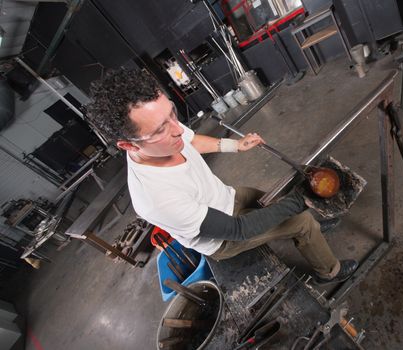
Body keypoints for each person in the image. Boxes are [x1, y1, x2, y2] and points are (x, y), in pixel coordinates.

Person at [86, 69, 358, 284]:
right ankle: (329, 272)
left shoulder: (165, 124)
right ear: (129, 145)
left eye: (172, 113)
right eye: (160, 130)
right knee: (301, 219)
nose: (177, 129)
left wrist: (235, 145)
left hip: (225, 196)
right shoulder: (156, 198)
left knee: (280, 201)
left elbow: (191, 140)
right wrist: (301, 201)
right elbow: (238, 230)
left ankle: (309, 231)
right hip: (222, 237)